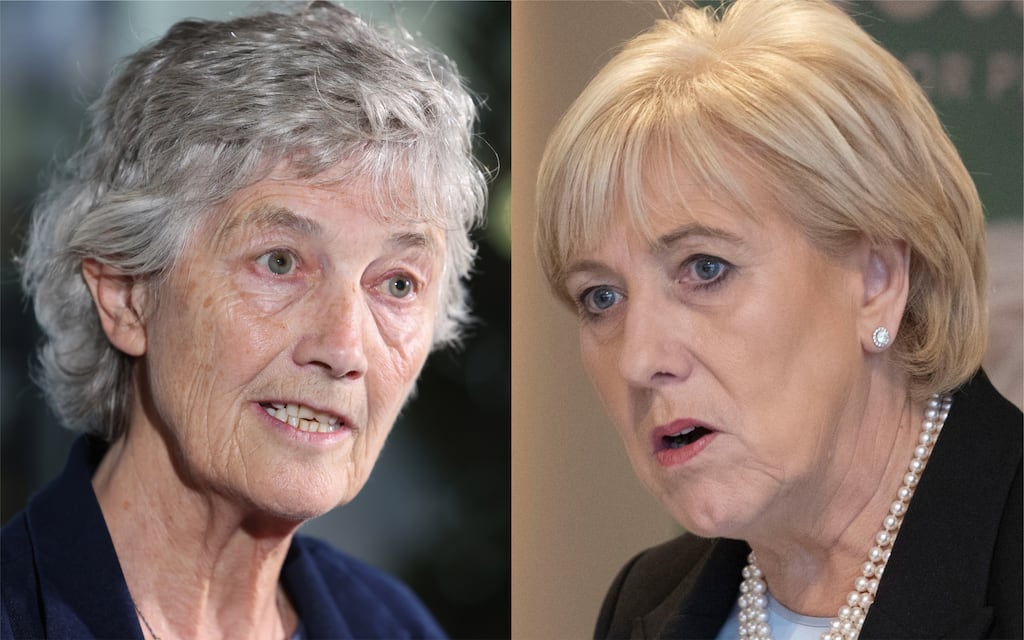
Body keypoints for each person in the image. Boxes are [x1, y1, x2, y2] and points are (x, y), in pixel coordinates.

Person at [534, 0, 1022, 638]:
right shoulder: (642, 603)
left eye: (704, 268)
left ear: (878, 281)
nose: (638, 358)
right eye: (601, 297)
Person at [2, 2, 486, 638]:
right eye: (280, 262)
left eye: (398, 283)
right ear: (124, 295)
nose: (344, 347)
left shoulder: (396, 626)